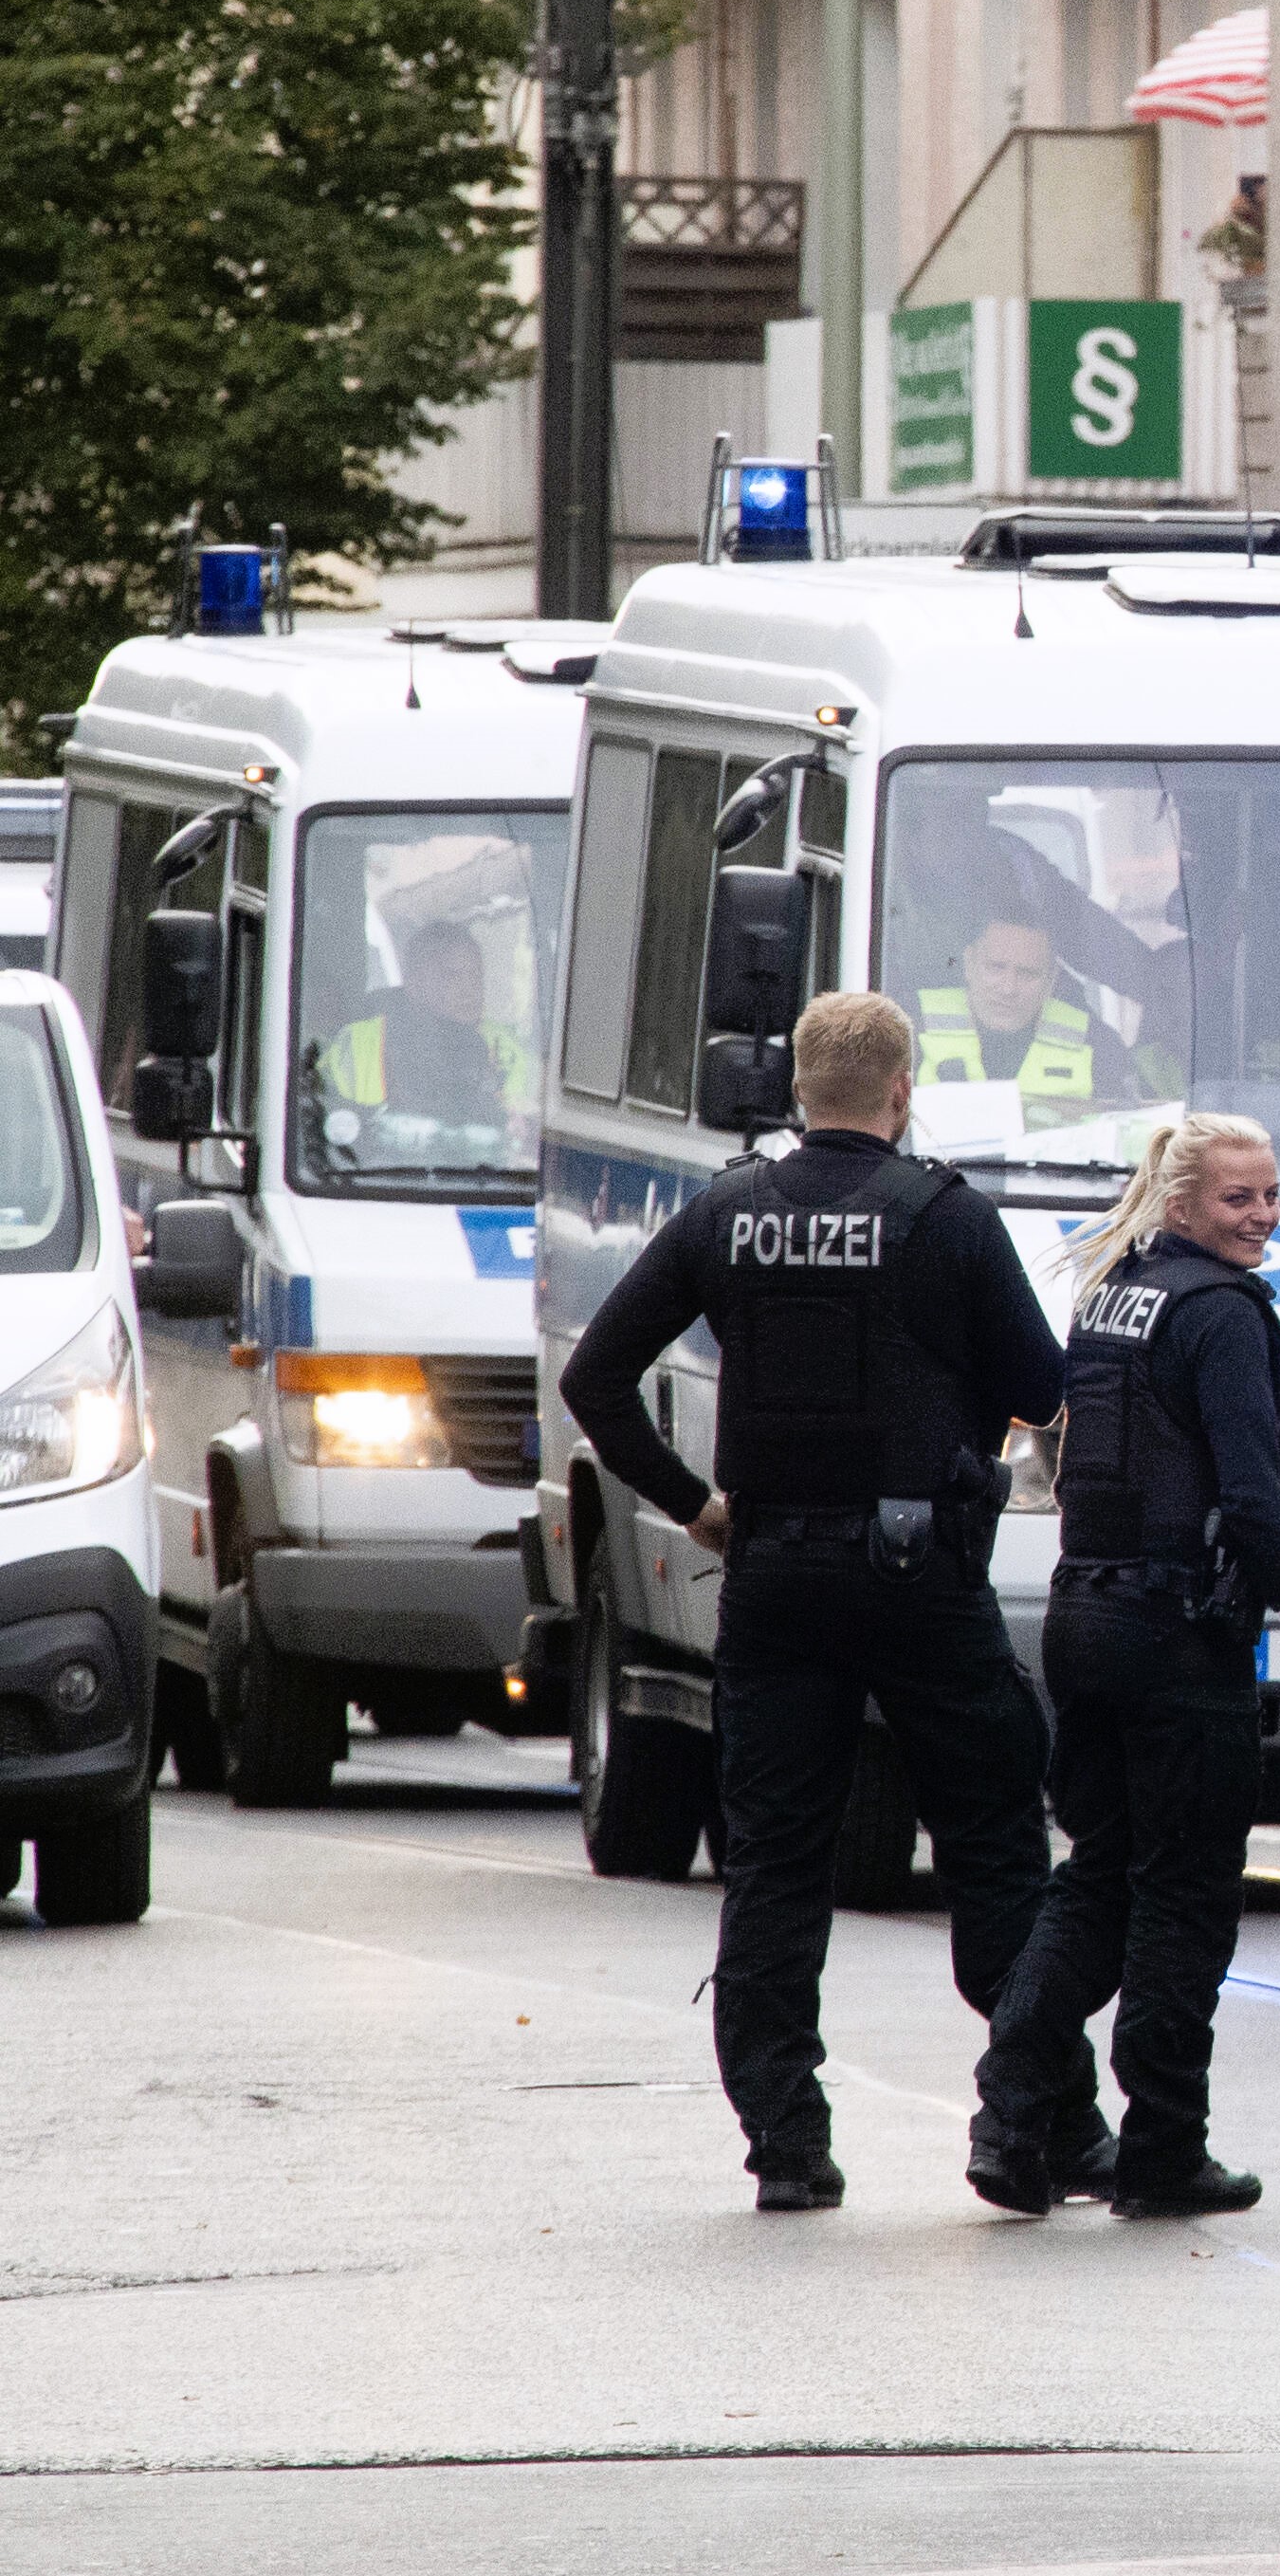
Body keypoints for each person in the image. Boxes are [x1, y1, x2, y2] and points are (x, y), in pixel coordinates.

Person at [553, 991, 1090, 2213]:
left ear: (800, 1088)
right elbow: (1039, 1382)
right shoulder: (945, 1217)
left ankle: (786, 2144)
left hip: (776, 1577)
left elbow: (597, 1374)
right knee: (997, 1848)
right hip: (922, 1583)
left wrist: (694, 1504)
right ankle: (1045, 2119)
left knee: (776, 1866)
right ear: (902, 1094)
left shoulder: (729, 1210)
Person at [968, 1113, 1280, 2221]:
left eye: (1272, 1195)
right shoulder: (1222, 1314)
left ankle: (1011, 2110)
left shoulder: (1114, 1291)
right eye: (1239, 1199)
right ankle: (1164, 2147)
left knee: (1096, 1874)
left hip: (1086, 1618)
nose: (1264, 1215)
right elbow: (1250, 1491)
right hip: (1178, 1636)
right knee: (1181, 1897)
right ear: (1181, 1204)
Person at [918, 896, 1143, 1122]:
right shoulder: (911, 1026)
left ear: (1052, 980)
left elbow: (1137, 1130)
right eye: (996, 967)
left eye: (1027, 973)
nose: (1008, 988)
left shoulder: (1096, 1045)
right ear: (969, 964)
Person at [323, 921, 528, 1137]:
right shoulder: (357, 1045)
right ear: (414, 984)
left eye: (476, 976)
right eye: (452, 976)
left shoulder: (511, 1051)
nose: (470, 990)